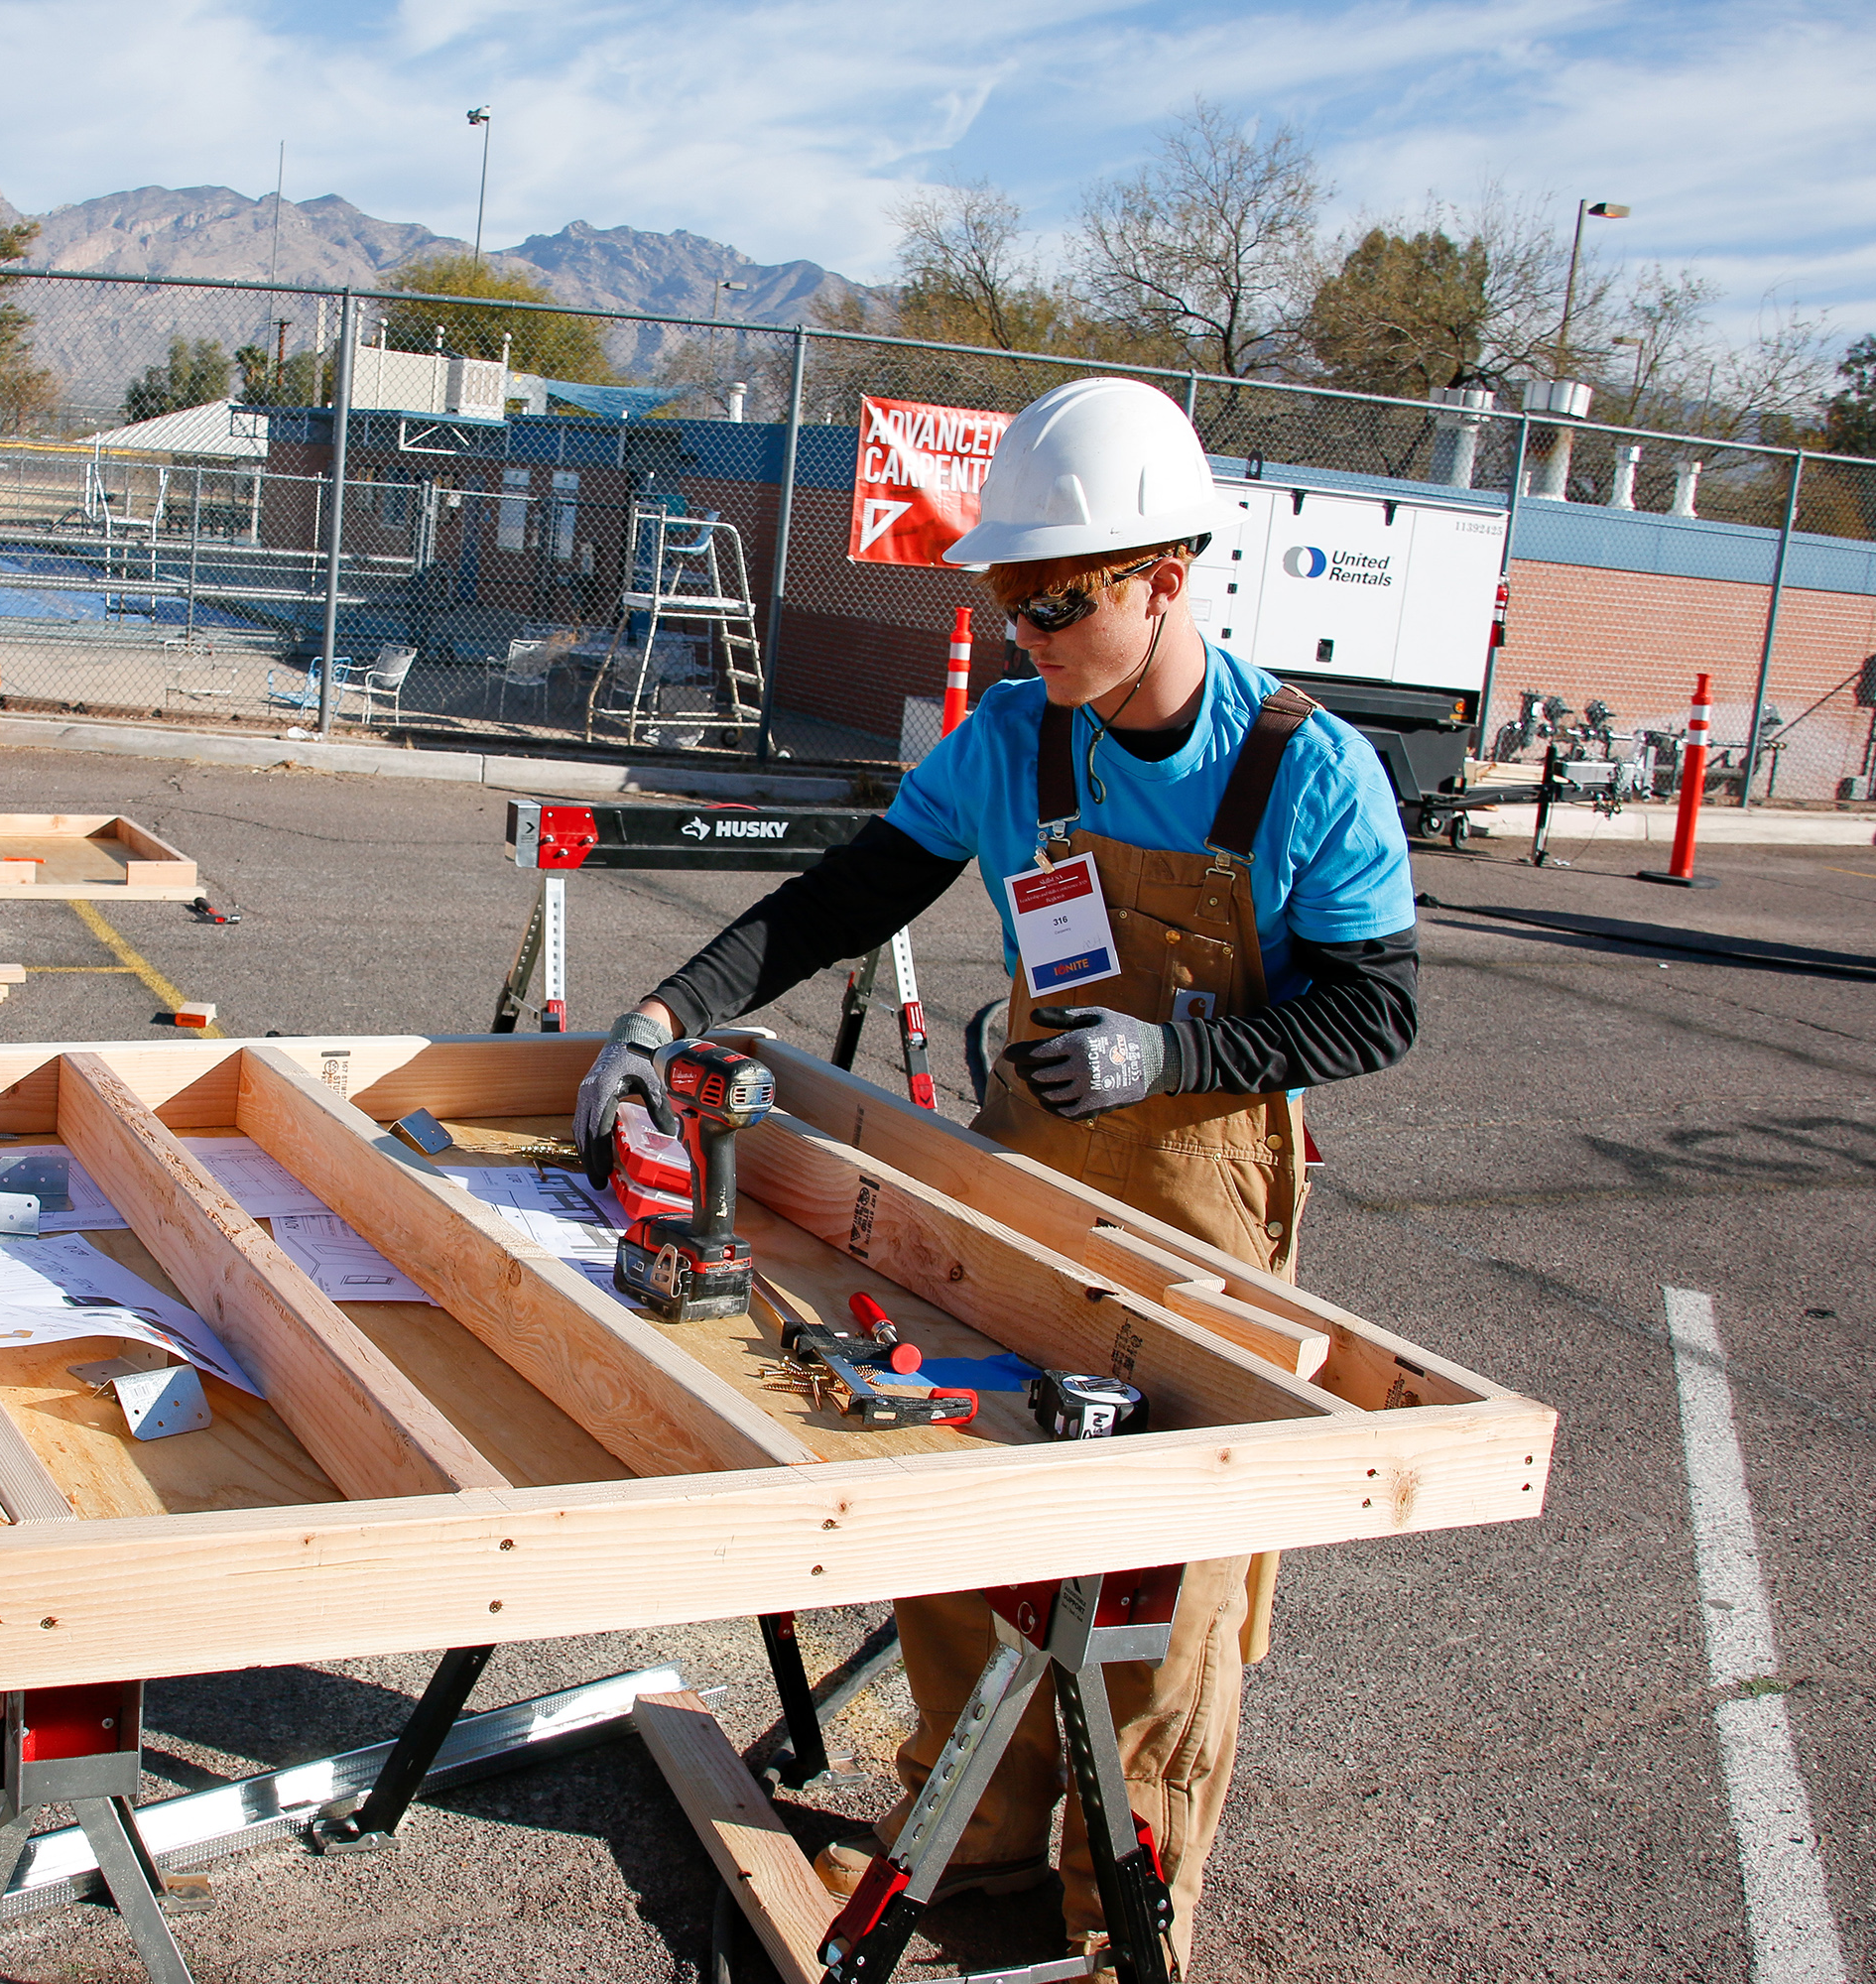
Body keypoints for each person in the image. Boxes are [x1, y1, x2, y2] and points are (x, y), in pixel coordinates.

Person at [572, 376, 1420, 1971]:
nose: (1028, 636)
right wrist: (663, 1011)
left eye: (1059, 602)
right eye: (1009, 606)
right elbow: (848, 895)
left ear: (1167, 579)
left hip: (1201, 1228)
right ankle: (964, 1884)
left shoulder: (1305, 772)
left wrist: (1171, 1059)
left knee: (1157, 1617)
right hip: (1029, 1185)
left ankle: (1121, 1936)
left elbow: (1378, 1009)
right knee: (963, 1540)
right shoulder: (1013, 742)